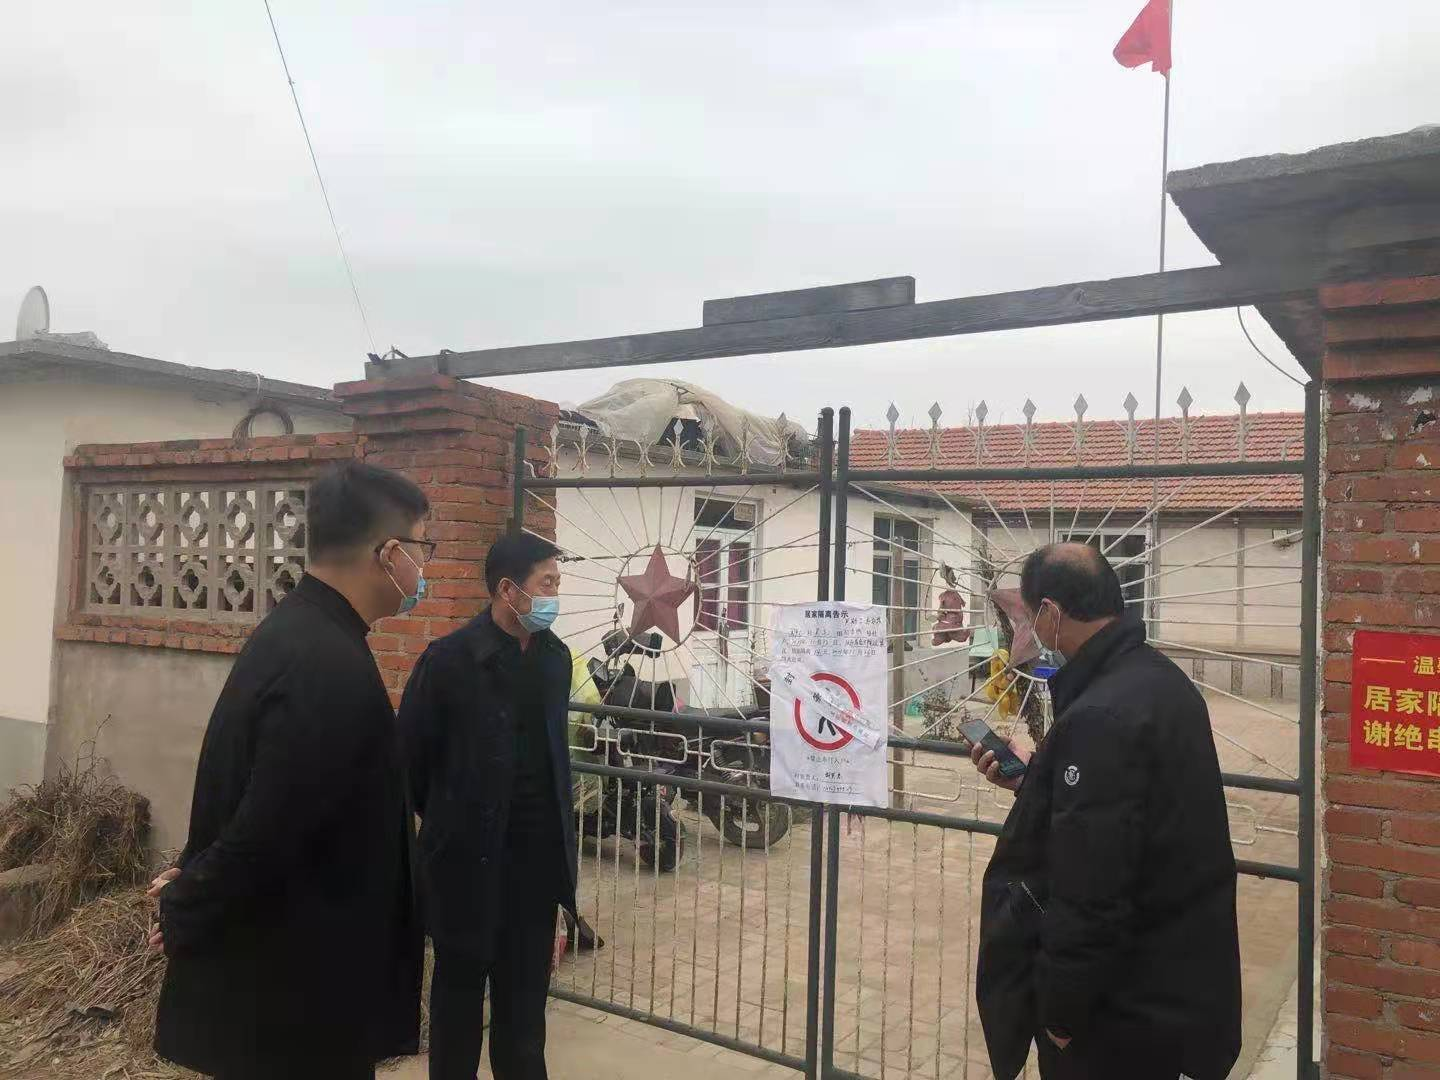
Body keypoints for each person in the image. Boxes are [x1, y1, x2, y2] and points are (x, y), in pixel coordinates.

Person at [149, 461, 428, 1080]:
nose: (422, 568)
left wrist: (194, 875)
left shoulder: (301, 633)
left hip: (293, 987)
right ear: (389, 554)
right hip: (296, 1000)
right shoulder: (324, 663)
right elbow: (269, 827)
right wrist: (188, 901)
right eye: (421, 548)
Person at [971, 542, 1241, 1080]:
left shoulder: (1101, 714)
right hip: (1169, 992)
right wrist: (1037, 782)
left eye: (1028, 616)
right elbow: (1122, 816)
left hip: (1117, 1013)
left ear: (1051, 613)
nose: (1028, 630)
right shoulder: (1158, 679)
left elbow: (1090, 887)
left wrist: (1062, 1012)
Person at [398, 531, 575, 1080]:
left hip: (534, 873)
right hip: (465, 870)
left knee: (524, 1021)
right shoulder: (448, 663)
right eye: (547, 583)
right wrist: (457, 821)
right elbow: (410, 768)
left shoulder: (555, 659)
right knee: (457, 1010)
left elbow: (554, 761)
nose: (554, 595)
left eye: (557, 583)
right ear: (507, 590)